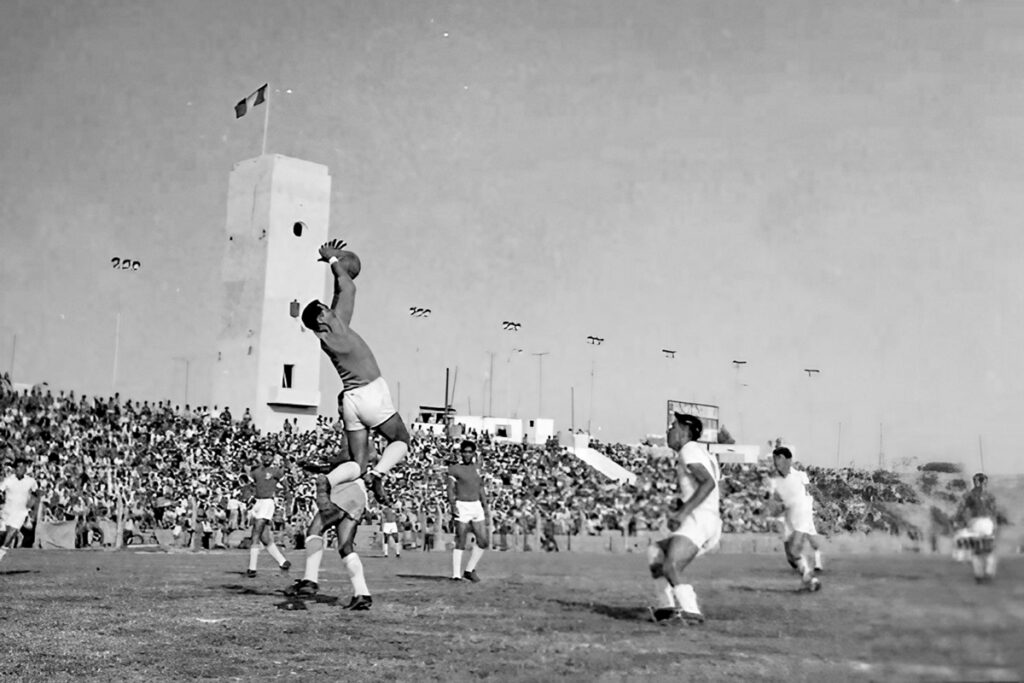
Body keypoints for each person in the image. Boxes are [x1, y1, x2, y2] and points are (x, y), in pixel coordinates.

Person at [300, 239, 411, 509]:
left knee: (357, 463)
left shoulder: (326, 335)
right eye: (324, 309)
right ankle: (378, 475)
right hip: (370, 392)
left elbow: (342, 297)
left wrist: (336, 274)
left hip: (351, 401)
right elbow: (348, 286)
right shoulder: (336, 328)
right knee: (401, 440)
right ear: (323, 318)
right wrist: (334, 261)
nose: (328, 309)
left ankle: (328, 481)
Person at [646, 413, 721, 625]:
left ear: (684, 432)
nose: (668, 431)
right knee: (655, 553)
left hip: (700, 519)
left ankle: (691, 612)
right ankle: (666, 608)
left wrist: (683, 512)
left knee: (670, 566)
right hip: (705, 518)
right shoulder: (701, 452)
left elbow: (708, 483)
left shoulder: (689, 451)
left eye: (673, 426)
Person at [285, 442, 373, 611]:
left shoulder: (354, 433)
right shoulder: (365, 446)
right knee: (345, 547)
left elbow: (344, 459)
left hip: (345, 489)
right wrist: (316, 467)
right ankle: (362, 594)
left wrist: (324, 461)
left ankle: (310, 580)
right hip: (359, 496)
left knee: (315, 529)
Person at [768, 447, 823, 592]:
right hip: (788, 517)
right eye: (774, 458)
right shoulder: (774, 480)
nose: (775, 462)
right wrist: (775, 508)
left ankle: (810, 577)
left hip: (802, 515)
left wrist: (816, 508)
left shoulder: (801, 476)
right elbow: (775, 502)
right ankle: (810, 579)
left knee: (795, 549)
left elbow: (810, 493)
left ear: (787, 460)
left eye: (778, 458)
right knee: (791, 558)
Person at [446, 440, 490, 582]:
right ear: (461, 453)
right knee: (461, 540)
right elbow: (450, 488)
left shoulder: (478, 468)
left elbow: (481, 487)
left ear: (473, 453)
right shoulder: (454, 468)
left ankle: (469, 570)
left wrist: (485, 505)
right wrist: (452, 505)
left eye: (470, 452)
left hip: (476, 505)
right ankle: (456, 575)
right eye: (464, 451)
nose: (467, 454)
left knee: (483, 541)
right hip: (462, 505)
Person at [245, 449, 291, 577]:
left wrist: (288, 504)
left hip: (267, 502)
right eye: (265, 454)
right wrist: (248, 498)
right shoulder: (255, 471)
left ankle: (252, 568)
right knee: (264, 537)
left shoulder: (276, 471)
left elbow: (286, 487)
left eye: (270, 455)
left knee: (256, 532)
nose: (267, 457)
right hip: (257, 503)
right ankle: (283, 561)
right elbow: (249, 486)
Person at [954, 472, 1001, 584]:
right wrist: (995, 525)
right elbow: (994, 511)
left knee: (976, 551)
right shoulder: (989, 495)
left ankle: (979, 575)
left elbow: (961, 510)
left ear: (975, 481)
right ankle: (989, 572)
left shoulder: (969, 495)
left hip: (975, 523)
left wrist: (958, 522)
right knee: (989, 550)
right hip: (988, 523)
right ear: (985, 481)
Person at [0, 458, 39, 563]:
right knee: (2, 533)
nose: (22, 469)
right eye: (19, 467)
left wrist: (33, 512)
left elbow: (36, 496)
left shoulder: (31, 481)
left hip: (21, 512)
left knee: (12, 532)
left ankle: (1, 554)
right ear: (15, 468)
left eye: (24, 467)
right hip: (7, 511)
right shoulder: (8, 480)